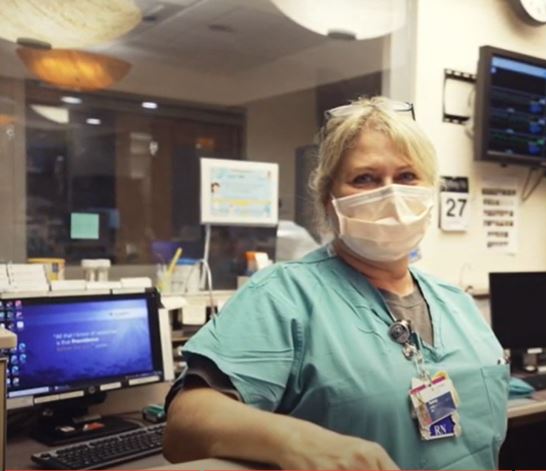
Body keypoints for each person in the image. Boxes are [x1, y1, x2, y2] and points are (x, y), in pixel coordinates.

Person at [163, 96, 509, 470]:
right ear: (330, 201)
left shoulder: (456, 303)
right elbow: (186, 424)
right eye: (365, 178)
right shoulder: (284, 297)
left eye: (407, 176)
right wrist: (295, 442)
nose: (391, 193)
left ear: (429, 192)